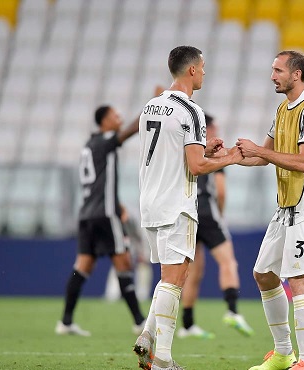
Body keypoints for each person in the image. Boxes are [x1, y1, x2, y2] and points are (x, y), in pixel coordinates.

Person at [133, 45, 243, 370]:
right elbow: (195, 167)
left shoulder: (151, 107)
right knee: (175, 278)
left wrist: (203, 146)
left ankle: (147, 336)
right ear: (192, 70)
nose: (205, 73)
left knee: (169, 276)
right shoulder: (190, 110)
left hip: (150, 202)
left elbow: (172, 151)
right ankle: (164, 360)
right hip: (176, 203)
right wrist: (232, 158)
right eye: (203, 67)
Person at [236, 50, 304, 370]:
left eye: (278, 70)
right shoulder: (282, 109)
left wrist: (258, 151)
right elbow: (262, 155)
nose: (272, 75)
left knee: (299, 278)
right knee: (263, 274)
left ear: (296, 74)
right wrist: (225, 156)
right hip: (286, 205)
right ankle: (283, 354)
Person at [55, 106, 146, 337]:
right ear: (105, 121)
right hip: (105, 216)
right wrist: (153, 108)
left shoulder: (90, 145)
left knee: (82, 267)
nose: (120, 118)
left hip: (86, 215)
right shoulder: (105, 141)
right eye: (116, 116)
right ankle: (139, 322)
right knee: (124, 263)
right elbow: (131, 130)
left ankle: (65, 322)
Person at [177, 113, 254, 339]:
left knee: (193, 272)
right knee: (228, 261)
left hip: (187, 213)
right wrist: (220, 214)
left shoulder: (189, 149)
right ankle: (232, 310)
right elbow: (220, 190)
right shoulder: (215, 153)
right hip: (209, 214)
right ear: (207, 129)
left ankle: (188, 324)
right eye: (214, 128)